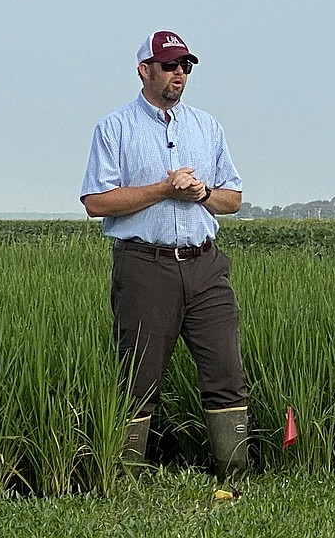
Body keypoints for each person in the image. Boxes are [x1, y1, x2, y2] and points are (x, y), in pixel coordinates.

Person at [80, 30, 249, 482]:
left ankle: (234, 473)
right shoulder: (114, 128)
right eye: (171, 66)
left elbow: (232, 200)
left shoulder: (207, 126)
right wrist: (162, 188)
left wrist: (201, 192)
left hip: (207, 264)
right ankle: (127, 477)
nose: (180, 74)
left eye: (186, 67)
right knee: (138, 377)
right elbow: (96, 201)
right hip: (144, 266)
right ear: (144, 70)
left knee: (226, 371)